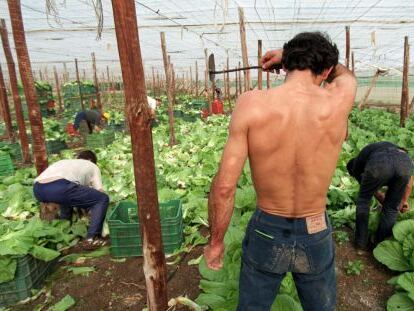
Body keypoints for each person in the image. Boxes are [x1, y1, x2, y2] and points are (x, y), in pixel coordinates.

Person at [204, 32, 357, 311]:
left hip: (267, 229)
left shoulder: (251, 103)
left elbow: (225, 186)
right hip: (315, 227)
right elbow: (344, 73)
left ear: (285, 66)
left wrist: (216, 242)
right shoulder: (338, 99)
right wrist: (289, 55)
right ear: (324, 70)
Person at [33, 150, 109, 248]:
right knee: (102, 199)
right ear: (90, 160)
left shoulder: (64, 162)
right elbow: (100, 191)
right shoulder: (93, 166)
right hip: (60, 187)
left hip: (38, 189)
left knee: (66, 199)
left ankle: (65, 229)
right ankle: (92, 238)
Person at [347, 142, 413, 250]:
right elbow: (410, 181)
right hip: (404, 165)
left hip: (380, 164)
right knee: (391, 208)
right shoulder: (388, 147)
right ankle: (379, 244)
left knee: (363, 201)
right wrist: (403, 200)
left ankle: (360, 243)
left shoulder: (356, 166)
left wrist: (379, 196)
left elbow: (367, 193)